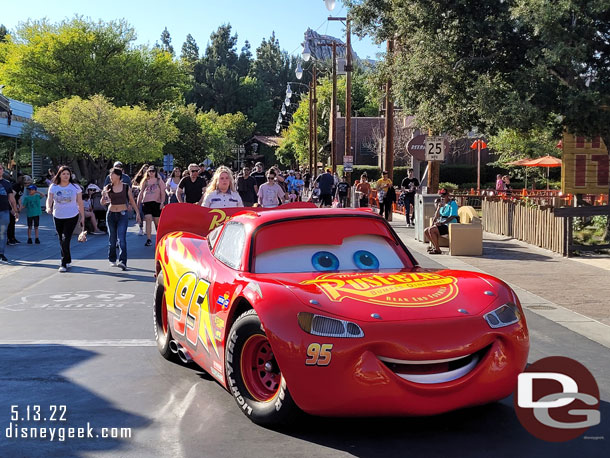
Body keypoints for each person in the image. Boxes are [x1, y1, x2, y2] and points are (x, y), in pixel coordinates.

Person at [46, 166, 86, 272]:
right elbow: (49, 199)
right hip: (58, 215)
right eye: (63, 174)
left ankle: (63, 263)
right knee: (61, 238)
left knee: (65, 238)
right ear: (59, 174)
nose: (66, 176)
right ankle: (68, 259)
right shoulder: (54, 187)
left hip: (72, 215)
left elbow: (80, 203)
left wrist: (82, 217)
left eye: (68, 174)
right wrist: (48, 207)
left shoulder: (75, 187)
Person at [102, 167, 141, 270]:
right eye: (110, 175)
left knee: (122, 239)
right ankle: (112, 258)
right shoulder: (108, 187)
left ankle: (123, 261)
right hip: (110, 214)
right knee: (112, 239)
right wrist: (104, 196)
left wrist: (137, 213)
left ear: (118, 176)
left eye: (112, 175)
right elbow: (103, 202)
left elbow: (132, 201)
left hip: (122, 214)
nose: (110, 177)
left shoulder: (125, 187)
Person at [424, 189, 459, 255]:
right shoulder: (443, 205)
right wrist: (438, 207)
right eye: (441, 196)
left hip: (449, 225)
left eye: (444, 195)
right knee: (426, 230)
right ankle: (435, 247)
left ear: (448, 195)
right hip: (442, 223)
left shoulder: (452, 203)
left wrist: (442, 223)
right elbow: (437, 216)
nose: (443, 197)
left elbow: (452, 216)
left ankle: (437, 249)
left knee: (432, 230)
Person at [137, 166, 165, 247]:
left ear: (155, 172)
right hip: (146, 202)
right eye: (150, 171)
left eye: (153, 171)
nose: (151, 173)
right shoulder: (145, 181)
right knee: (148, 219)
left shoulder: (159, 181)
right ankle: (149, 239)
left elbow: (162, 192)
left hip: (156, 202)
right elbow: (141, 192)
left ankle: (160, 238)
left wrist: (162, 202)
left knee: (157, 222)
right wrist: (138, 203)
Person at [0, 163, 19, 262]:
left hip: (4, 211)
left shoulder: (7, 183)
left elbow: (11, 199)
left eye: (0, 169)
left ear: (3, 170)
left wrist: (15, 210)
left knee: (2, 233)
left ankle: (1, 253)